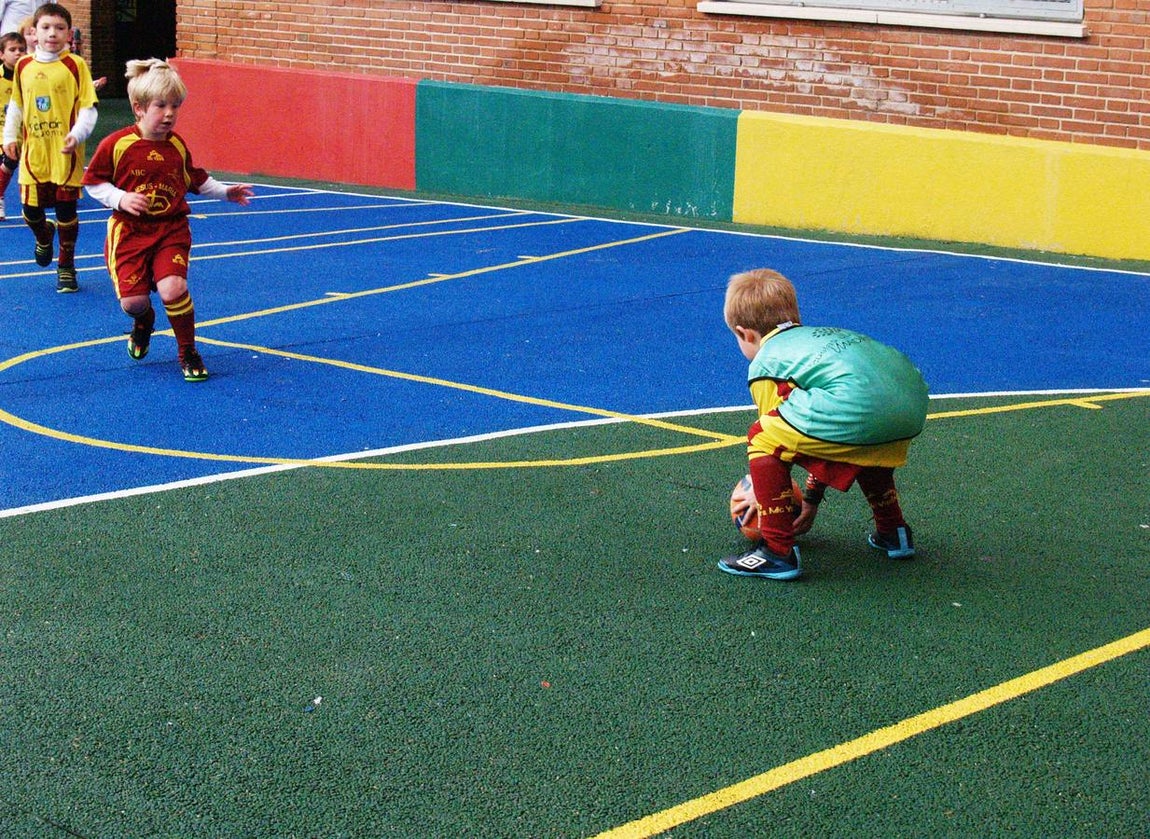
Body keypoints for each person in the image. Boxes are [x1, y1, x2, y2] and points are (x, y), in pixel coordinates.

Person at [721, 268, 929, 581]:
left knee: (762, 436)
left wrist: (785, 500)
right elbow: (824, 439)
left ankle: (776, 552)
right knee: (861, 442)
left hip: (857, 406)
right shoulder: (822, 336)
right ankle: (893, 532)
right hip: (911, 405)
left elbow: (784, 444)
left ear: (745, 334)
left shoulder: (767, 361)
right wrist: (812, 500)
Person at [82, 58, 254, 382]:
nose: (170, 114)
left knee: (173, 288)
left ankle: (188, 350)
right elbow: (93, 182)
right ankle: (143, 322)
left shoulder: (176, 145)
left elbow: (195, 180)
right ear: (139, 108)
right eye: (161, 106)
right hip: (130, 233)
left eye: (175, 106)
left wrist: (226, 192)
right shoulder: (117, 145)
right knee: (133, 303)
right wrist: (121, 198)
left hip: (170, 229)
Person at [1, 3, 99, 292]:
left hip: (64, 153)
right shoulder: (23, 66)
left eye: (59, 28)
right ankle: (44, 236)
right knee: (31, 211)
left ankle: (66, 265)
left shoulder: (75, 65)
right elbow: (17, 106)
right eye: (46, 27)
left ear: (69, 33)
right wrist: (10, 138)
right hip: (34, 153)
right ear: (34, 31)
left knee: (66, 211)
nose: (52, 33)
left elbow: (88, 107)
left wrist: (78, 134)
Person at [0, 29, 25, 221]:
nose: (18, 53)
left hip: (24, 130)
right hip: (2, 131)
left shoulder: (28, 76)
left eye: (21, 49)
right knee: (9, 161)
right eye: (13, 49)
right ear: (2, 54)